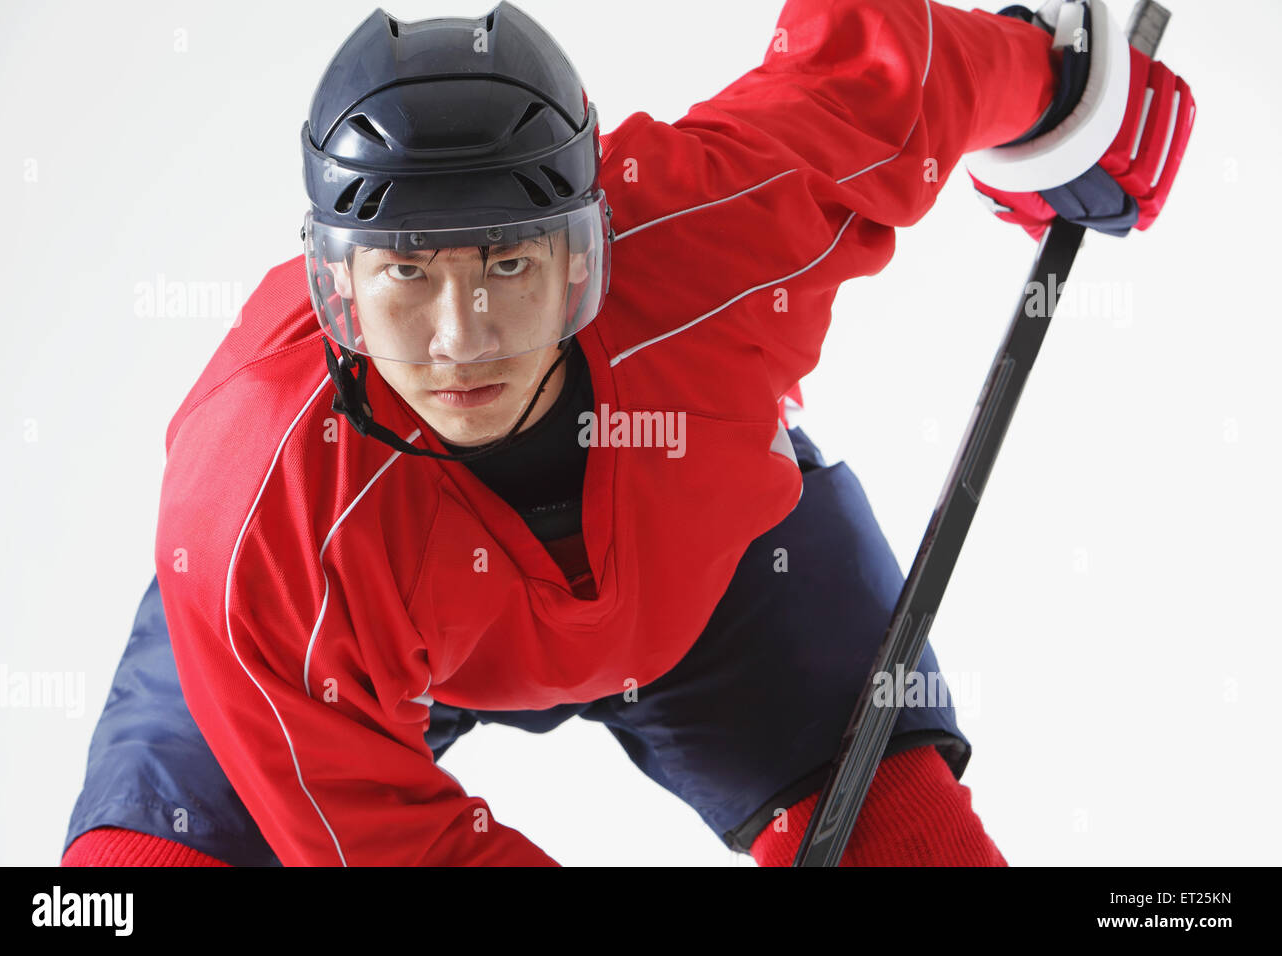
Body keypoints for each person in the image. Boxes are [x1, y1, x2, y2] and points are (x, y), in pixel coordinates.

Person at [62, 0, 1194, 866]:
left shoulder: (709, 232)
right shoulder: (255, 510)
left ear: (581, 254)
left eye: (506, 261)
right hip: (334, 646)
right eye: (407, 272)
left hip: (712, 580)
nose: (461, 339)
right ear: (340, 284)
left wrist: (1059, 93)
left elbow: (885, 77)